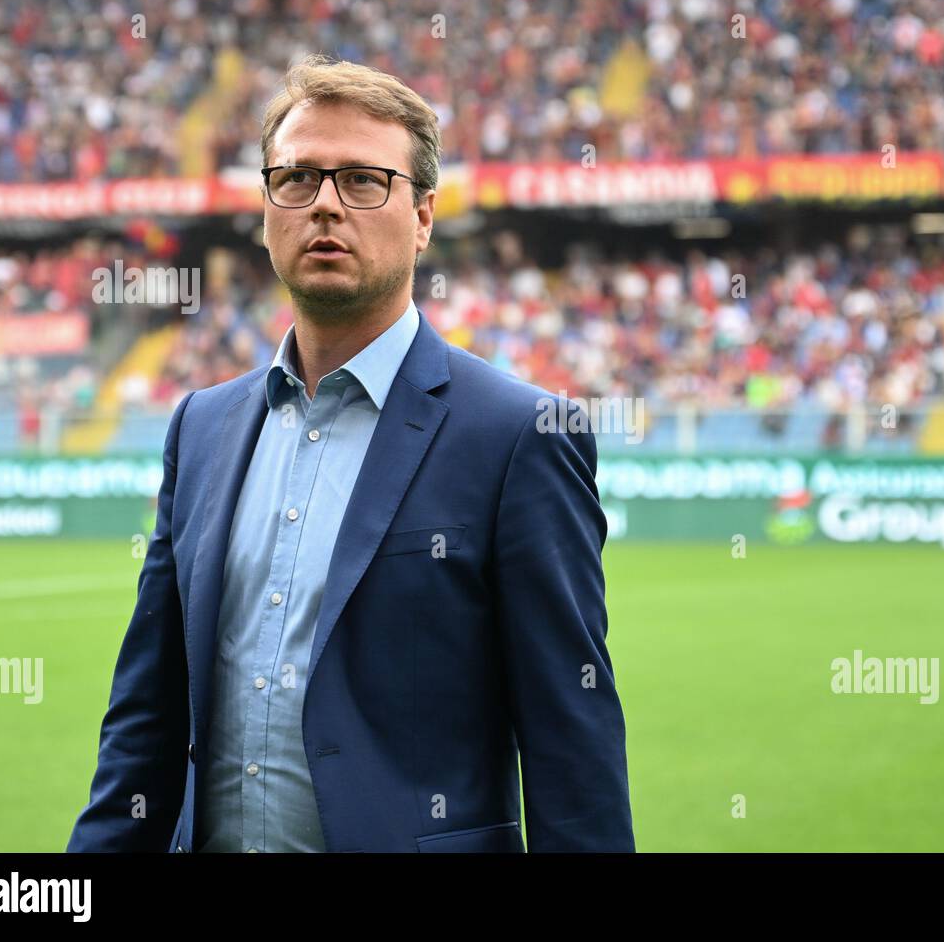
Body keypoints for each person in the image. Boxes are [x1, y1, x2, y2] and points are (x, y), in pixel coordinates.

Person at [66, 55, 634, 853]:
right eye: (296, 178)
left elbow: (573, 748)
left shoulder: (520, 436)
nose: (325, 204)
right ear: (266, 209)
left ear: (424, 215)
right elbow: (144, 722)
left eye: (364, 180)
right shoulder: (201, 427)